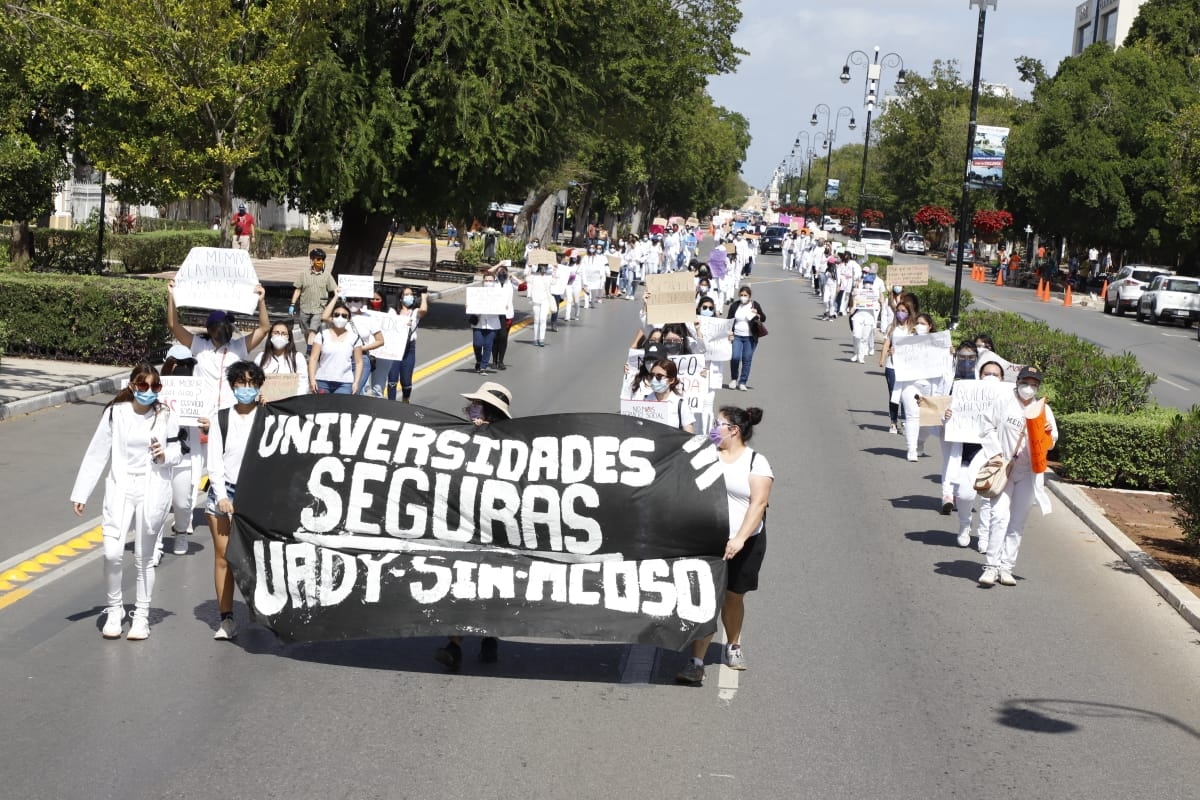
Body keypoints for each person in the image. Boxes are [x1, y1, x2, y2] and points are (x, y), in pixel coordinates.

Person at [70, 363, 182, 640]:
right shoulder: (115, 414)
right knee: (112, 553)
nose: (149, 392)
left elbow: (178, 452)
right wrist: (81, 492)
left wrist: (163, 455)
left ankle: (141, 615)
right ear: (132, 385)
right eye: (143, 386)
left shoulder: (165, 414)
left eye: (155, 387)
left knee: (144, 557)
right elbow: (97, 453)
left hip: (151, 487)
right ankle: (114, 607)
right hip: (120, 487)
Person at [676, 406, 773, 685]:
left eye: (718, 424)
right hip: (709, 540)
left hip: (746, 542)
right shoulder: (705, 456)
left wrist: (740, 538)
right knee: (708, 598)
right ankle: (696, 663)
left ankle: (733, 645)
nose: (713, 428)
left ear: (734, 430)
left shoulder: (756, 462)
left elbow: (758, 504)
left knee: (733, 597)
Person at [434, 381, 514, 670]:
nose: (473, 413)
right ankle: (454, 644)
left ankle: (489, 636)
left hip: (494, 526)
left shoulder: (509, 443)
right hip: (461, 524)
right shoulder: (459, 438)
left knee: (488, 585)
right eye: (473, 408)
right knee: (459, 582)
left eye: (480, 409)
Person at [977, 366, 1058, 587]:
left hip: (1028, 473)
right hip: (1004, 469)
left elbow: (1051, 442)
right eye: (1025, 382)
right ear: (1018, 381)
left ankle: (1006, 567)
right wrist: (996, 453)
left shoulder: (1043, 410)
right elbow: (986, 427)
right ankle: (991, 566)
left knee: (1018, 521)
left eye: (1034, 384)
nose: (1029, 388)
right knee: (999, 516)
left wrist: (1048, 431)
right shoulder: (1004, 401)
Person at [205, 361, 265, 639]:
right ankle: (226, 618)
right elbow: (214, 462)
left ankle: (260, 606)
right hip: (224, 494)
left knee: (258, 557)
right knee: (224, 558)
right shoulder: (221, 418)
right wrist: (220, 497)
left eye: (252, 383)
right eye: (241, 383)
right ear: (232, 386)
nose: (246, 389)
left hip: (256, 494)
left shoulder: (267, 417)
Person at [153, 344, 203, 564]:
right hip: (159, 453)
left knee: (182, 503)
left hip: (185, 454)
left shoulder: (197, 389)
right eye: (178, 364)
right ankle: (155, 544)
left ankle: (181, 533)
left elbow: (207, 412)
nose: (182, 368)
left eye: (186, 365)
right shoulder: (155, 387)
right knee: (156, 502)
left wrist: (205, 420)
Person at [322, 291, 384, 395]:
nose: (352, 303)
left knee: (353, 391)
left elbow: (380, 341)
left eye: (356, 300)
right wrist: (336, 296)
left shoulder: (369, 318)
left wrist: (361, 348)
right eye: (349, 300)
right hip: (342, 358)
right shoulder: (342, 316)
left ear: (362, 301)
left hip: (361, 358)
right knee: (340, 392)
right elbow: (324, 317)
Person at [308, 300, 365, 394]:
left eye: (344, 316)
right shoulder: (322, 335)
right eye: (337, 314)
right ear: (332, 317)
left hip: (345, 383)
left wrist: (356, 382)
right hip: (322, 381)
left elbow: (359, 362)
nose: (340, 317)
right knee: (323, 408)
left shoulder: (355, 338)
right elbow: (313, 359)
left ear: (348, 318)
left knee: (340, 408)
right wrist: (312, 380)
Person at [878, 298, 917, 435]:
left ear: (909, 313)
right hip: (892, 367)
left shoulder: (913, 329)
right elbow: (886, 344)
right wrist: (883, 358)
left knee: (906, 395)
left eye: (903, 311)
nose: (900, 313)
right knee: (894, 395)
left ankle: (905, 421)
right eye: (898, 311)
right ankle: (893, 422)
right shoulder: (891, 327)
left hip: (908, 368)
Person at [289, 248, 338, 351]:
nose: (320, 261)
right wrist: (292, 305)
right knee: (306, 332)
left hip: (319, 309)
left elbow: (334, 289)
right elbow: (298, 289)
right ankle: (310, 347)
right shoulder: (304, 274)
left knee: (313, 330)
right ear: (312, 260)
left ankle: (309, 351)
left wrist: (340, 295)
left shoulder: (327, 275)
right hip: (305, 307)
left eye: (322, 259)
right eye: (318, 259)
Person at [385, 286, 428, 402]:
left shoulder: (414, 312)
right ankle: (391, 404)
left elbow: (423, 311)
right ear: (400, 297)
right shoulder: (393, 311)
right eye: (406, 294)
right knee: (392, 379)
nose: (410, 296)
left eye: (411, 294)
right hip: (394, 348)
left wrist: (424, 298)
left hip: (409, 349)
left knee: (406, 380)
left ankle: (405, 400)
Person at [638, 358, 696, 432]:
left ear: (671, 380)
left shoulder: (680, 405)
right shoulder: (644, 401)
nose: (654, 380)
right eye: (652, 376)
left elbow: (689, 435)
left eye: (659, 376)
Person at [727, 286, 766, 391]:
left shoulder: (754, 305)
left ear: (749, 296)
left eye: (745, 295)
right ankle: (734, 379)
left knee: (746, 359)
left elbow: (763, 318)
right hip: (737, 336)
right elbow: (729, 320)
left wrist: (757, 314)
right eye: (741, 295)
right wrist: (729, 332)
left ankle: (743, 382)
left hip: (750, 337)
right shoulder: (735, 305)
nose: (743, 297)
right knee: (735, 357)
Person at [258, 319, 309, 396]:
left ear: (289, 337)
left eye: (284, 333)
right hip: (265, 403)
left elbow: (303, 383)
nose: (280, 336)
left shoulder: (298, 357)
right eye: (276, 333)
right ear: (270, 335)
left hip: (290, 404)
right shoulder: (261, 357)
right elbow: (254, 381)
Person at [470, 272, 505, 375]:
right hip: (479, 322)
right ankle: (479, 360)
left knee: (488, 345)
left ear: (494, 282)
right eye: (486, 280)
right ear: (483, 281)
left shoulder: (499, 294)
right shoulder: (476, 292)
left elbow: (502, 307)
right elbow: (470, 306)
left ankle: (483, 367)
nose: (488, 283)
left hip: (492, 323)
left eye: (490, 281)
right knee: (477, 344)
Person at [848, 267, 881, 363]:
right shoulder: (858, 292)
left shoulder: (875, 293)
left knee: (864, 337)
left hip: (869, 317)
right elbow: (853, 304)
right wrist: (853, 297)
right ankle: (855, 353)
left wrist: (879, 300)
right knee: (856, 335)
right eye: (866, 282)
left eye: (870, 283)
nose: (868, 284)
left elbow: (879, 303)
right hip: (858, 316)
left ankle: (861, 356)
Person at [525, 261, 556, 347]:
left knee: (543, 319)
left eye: (545, 266)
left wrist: (555, 269)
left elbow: (554, 281)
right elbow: (527, 278)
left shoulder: (548, 277)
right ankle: (535, 338)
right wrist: (530, 267)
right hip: (536, 300)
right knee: (537, 320)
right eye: (542, 266)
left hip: (545, 300)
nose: (543, 268)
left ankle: (541, 339)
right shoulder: (534, 276)